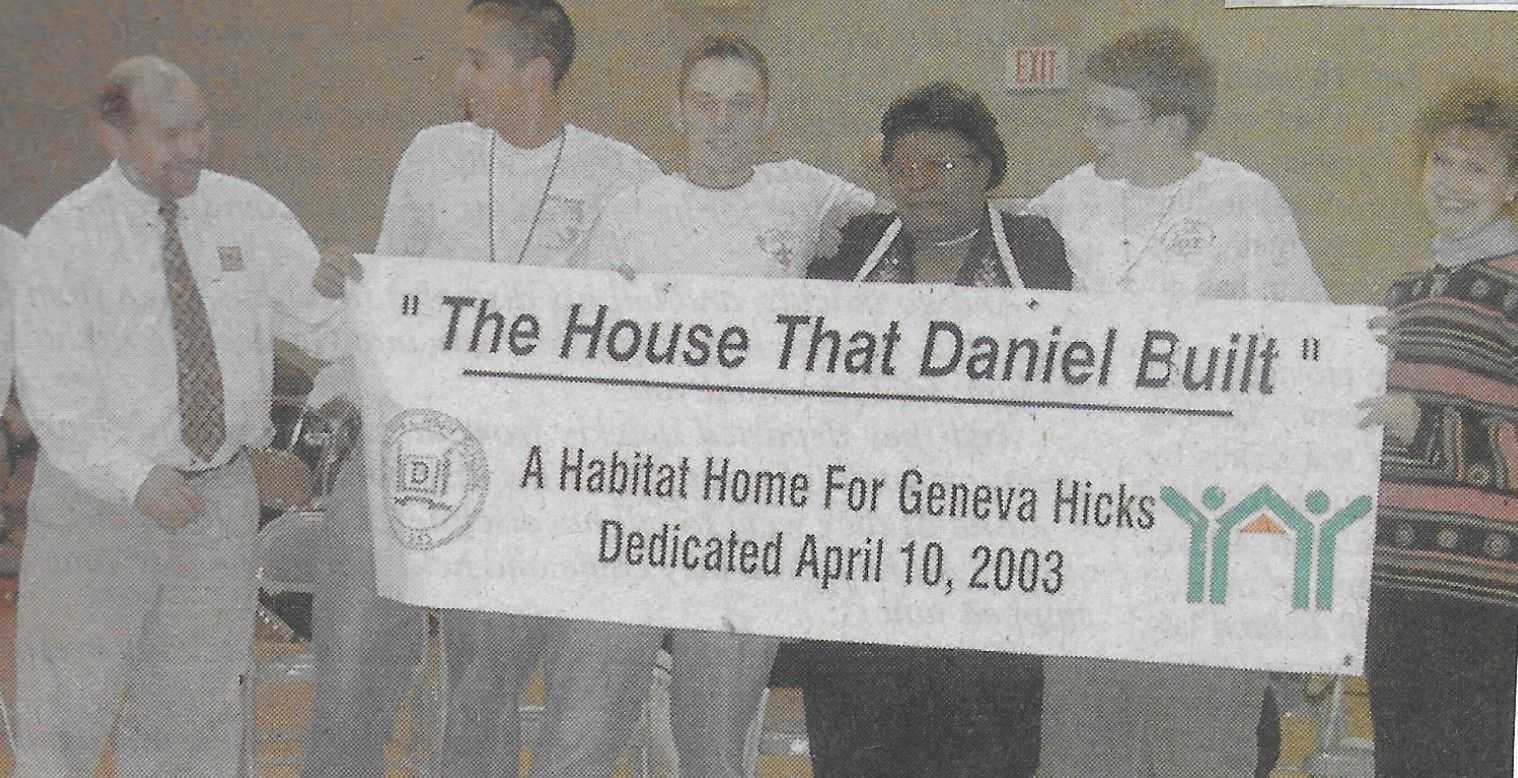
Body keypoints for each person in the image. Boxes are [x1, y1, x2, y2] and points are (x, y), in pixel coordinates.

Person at [302, 2, 664, 775]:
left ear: (535, 72)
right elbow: (384, 292)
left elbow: (655, 317)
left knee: (480, 679)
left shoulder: (623, 175)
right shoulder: (433, 155)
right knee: (351, 667)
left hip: (524, 467)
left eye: (476, 60)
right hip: (410, 441)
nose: (456, 76)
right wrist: (345, 281)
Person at [11, 55, 349, 777]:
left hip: (216, 505)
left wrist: (344, 287)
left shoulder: (248, 212)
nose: (193, 148)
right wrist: (136, 478)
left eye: (202, 127)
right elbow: (54, 396)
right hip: (96, 507)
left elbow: (322, 327)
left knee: (193, 718)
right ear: (112, 134)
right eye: (170, 134)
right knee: (65, 717)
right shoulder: (65, 240)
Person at [1024, 25, 1328, 777]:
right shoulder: (1071, 199)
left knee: (1195, 741)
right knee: (1082, 738)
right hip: (1090, 514)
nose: (1087, 132)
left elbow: (1310, 342)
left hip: (1203, 520)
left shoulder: (1244, 202)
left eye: (1108, 117)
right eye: (1088, 113)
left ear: (1172, 126)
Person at [574, 35, 875, 778]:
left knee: (711, 739)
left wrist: (871, 177)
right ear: (677, 114)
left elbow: (907, 218)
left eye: (741, 106)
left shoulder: (802, 192)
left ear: (767, 116)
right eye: (705, 104)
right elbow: (574, 344)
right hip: (638, 497)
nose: (722, 122)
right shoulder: (630, 210)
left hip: (748, 503)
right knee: (585, 731)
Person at [798, 81, 1067, 778]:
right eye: (902, 168)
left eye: (941, 166)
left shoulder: (1037, 253)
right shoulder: (849, 250)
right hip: (863, 565)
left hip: (991, 566)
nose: (918, 184)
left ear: (985, 170)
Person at [1359, 79, 1518, 778]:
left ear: (1512, 182)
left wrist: (1421, 426)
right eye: (1439, 163)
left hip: (1481, 590)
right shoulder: (1404, 289)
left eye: (1476, 168)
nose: (1450, 184)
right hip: (1393, 578)